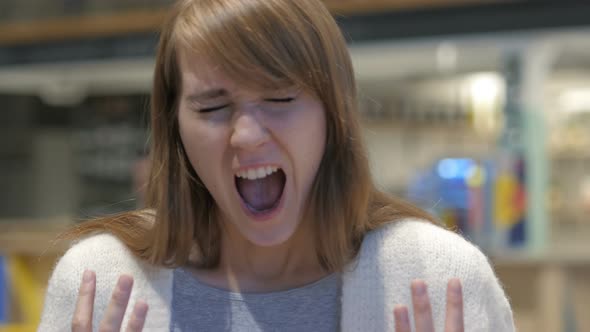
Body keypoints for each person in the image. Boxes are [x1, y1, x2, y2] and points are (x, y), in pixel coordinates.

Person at [39, 0, 515, 331]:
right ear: (174, 128)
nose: (246, 134)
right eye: (210, 108)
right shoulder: (98, 285)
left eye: (281, 97)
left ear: (335, 113)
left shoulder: (436, 279)